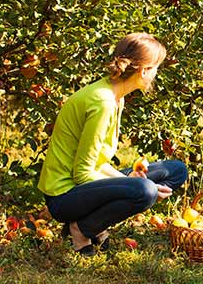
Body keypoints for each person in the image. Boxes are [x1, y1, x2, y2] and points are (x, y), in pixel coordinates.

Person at [38, 33, 188, 255]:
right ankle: (81, 229)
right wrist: (132, 185)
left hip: (85, 182)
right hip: (64, 195)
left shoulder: (116, 96)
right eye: (156, 66)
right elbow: (82, 173)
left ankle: (92, 222)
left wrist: (125, 181)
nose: (157, 72)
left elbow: (96, 161)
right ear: (144, 70)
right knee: (145, 191)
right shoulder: (103, 103)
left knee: (176, 170)